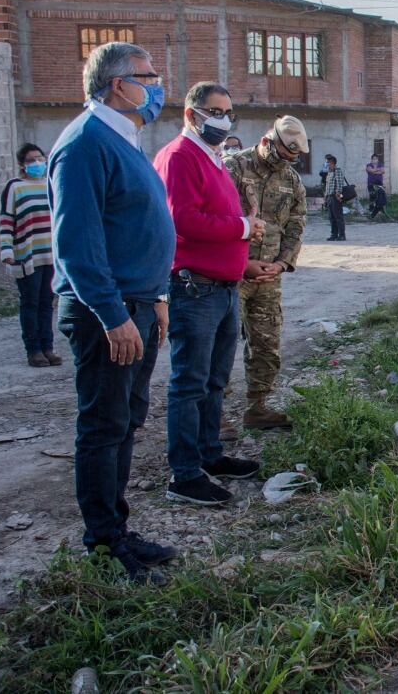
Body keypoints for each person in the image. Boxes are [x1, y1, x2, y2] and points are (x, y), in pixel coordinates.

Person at [50, 41, 177, 584]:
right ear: (117, 84)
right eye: (147, 77)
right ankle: (103, 544)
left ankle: (118, 530)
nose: (156, 86)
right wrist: (112, 314)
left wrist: (156, 299)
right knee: (103, 427)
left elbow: (135, 227)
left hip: (139, 305)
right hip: (109, 312)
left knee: (125, 424)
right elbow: (78, 244)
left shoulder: (124, 140)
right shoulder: (84, 144)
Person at [154, 82, 265, 507]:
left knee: (215, 380)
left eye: (228, 112)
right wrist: (243, 228)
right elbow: (183, 220)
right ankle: (183, 473)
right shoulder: (180, 157)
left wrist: (242, 232)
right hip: (194, 287)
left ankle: (209, 454)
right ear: (191, 114)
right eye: (215, 111)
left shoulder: (213, 157)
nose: (223, 120)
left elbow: (215, 214)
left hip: (222, 287)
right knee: (190, 383)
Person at [226, 115, 308, 433]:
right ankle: (214, 414)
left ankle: (257, 407)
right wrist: (241, 263)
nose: (284, 163)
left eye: (291, 158)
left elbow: (296, 223)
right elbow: (218, 218)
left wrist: (282, 263)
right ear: (267, 141)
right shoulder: (233, 167)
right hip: (232, 273)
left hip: (268, 276)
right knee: (221, 344)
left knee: (266, 341)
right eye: (283, 155)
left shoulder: (290, 180)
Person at [0, 143, 58, 367]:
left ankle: (48, 348)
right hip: (27, 255)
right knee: (30, 302)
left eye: (40, 158)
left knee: (47, 302)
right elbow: (6, 220)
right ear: (22, 165)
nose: (37, 163)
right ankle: (33, 350)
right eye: (32, 160)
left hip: (50, 254)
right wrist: (7, 249)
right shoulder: (14, 187)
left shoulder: (50, 184)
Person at [323, 154, 348, 241]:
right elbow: (327, 186)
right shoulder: (329, 172)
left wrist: (338, 195)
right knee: (331, 217)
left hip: (335, 197)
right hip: (329, 197)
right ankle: (334, 234)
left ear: (332, 163)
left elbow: (340, 184)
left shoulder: (337, 171)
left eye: (328, 162)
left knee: (338, 217)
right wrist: (325, 197)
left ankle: (342, 235)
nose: (326, 164)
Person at [366, 154, 392, 220]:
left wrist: (374, 171)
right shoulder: (369, 165)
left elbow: (383, 171)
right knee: (372, 197)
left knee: (380, 197)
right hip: (371, 184)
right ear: (371, 159)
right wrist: (378, 170)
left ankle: (377, 210)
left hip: (379, 185)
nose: (375, 160)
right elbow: (370, 170)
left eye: (376, 159)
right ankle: (371, 210)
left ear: (377, 159)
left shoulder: (380, 164)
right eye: (373, 159)